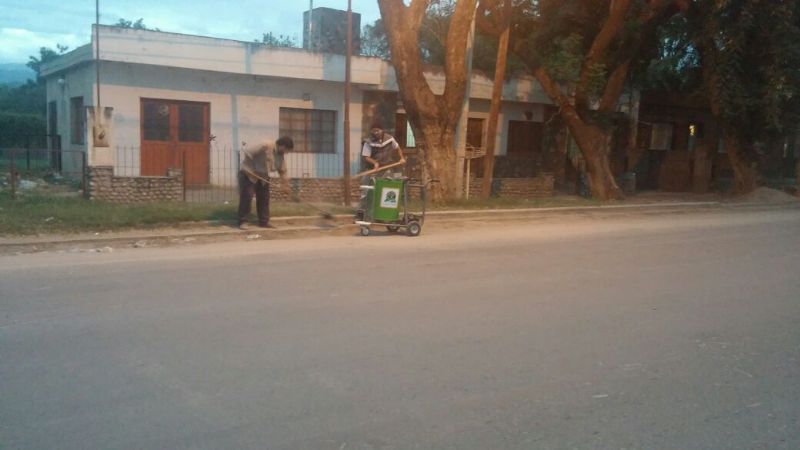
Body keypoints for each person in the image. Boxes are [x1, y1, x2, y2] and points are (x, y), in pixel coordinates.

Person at [238, 136, 294, 228]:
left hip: (263, 176)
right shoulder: (266, 145)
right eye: (287, 150)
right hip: (249, 174)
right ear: (283, 146)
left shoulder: (280, 155)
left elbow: (283, 171)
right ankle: (242, 221)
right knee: (247, 197)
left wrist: (285, 185)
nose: (287, 153)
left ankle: (263, 222)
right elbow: (247, 151)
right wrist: (248, 168)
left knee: (264, 198)